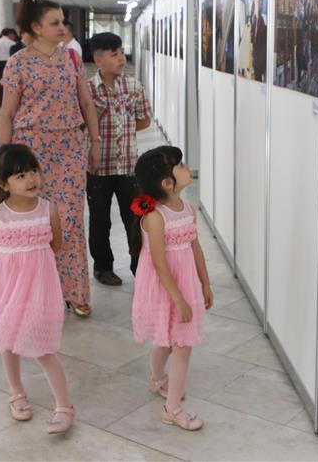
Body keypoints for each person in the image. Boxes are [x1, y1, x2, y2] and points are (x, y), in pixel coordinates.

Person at [0, 0, 101, 318]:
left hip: (70, 148)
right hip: (31, 152)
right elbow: (7, 114)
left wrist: (95, 142)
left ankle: (75, 291)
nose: (61, 27)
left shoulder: (71, 58)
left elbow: (86, 104)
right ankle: (39, 292)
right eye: (54, 22)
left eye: (62, 22)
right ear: (36, 27)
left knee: (69, 220)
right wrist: (5, 159)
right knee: (35, 221)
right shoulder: (18, 62)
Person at [0, 144, 74, 434]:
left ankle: (65, 405)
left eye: (33, 171)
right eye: (20, 176)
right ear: (3, 184)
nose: (31, 179)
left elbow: (57, 246)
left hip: (40, 288)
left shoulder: (48, 209)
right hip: (6, 287)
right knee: (8, 338)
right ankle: (15, 392)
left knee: (43, 348)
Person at [130, 146, 213, 431]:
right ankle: (173, 408)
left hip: (185, 283)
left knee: (171, 341)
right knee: (180, 346)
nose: (187, 166)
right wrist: (178, 299)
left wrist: (204, 282)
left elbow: (195, 247)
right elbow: (159, 262)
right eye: (180, 165)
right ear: (167, 182)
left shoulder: (188, 209)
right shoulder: (155, 217)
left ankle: (157, 379)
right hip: (165, 286)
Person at [86, 32, 152, 286]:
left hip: (128, 167)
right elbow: (82, 123)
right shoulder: (88, 89)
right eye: (114, 54)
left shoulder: (134, 86)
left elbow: (144, 119)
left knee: (135, 219)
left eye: (122, 53)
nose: (121, 59)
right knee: (100, 221)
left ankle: (140, 266)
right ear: (99, 59)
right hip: (97, 168)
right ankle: (103, 267)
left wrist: (122, 128)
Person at [0, 28, 18, 107]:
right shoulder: (13, 43)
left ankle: (1, 102)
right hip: (9, 64)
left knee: (0, 84)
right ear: (10, 34)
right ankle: (9, 101)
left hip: (0, 64)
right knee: (9, 83)